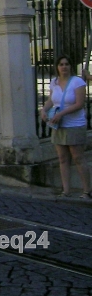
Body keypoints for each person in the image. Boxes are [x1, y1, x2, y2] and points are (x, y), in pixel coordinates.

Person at [40, 55, 90, 198]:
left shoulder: (77, 82)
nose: (64, 67)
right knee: (62, 158)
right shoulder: (54, 82)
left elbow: (79, 104)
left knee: (78, 157)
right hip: (58, 125)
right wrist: (43, 110)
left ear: (71, 66)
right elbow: (51, 100)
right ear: (57, 67)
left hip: (74, 125)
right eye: (61, 64)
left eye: (66, 64)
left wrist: (62, 114)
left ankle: (87, 190)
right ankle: (66, 190)